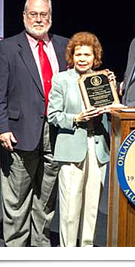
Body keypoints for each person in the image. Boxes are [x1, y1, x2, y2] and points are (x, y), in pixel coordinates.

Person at [0, 0, 69, 247]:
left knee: (47, 194)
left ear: (51, 17)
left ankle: (40, 242)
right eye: (33, 14)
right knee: (17, 195)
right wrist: (2, 128)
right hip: (19, 131)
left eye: (43, 14)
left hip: (57, 132)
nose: (38, 19)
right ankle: (16, 244)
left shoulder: (64, 46)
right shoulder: (8, 47)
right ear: (24, 16)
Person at [47, 31, 116, 247]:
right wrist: (76, 118)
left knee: (92, 205)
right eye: (78, 54)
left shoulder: (102, 80)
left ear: (95, 57)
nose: (83, 59)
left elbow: (113, 110)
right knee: (69, 206)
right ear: (71, 56)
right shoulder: (61, 80)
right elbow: (53, 115)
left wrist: (113, 90)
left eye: (87, 54)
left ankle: (86, 247)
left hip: (97, 147)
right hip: (71, 147)